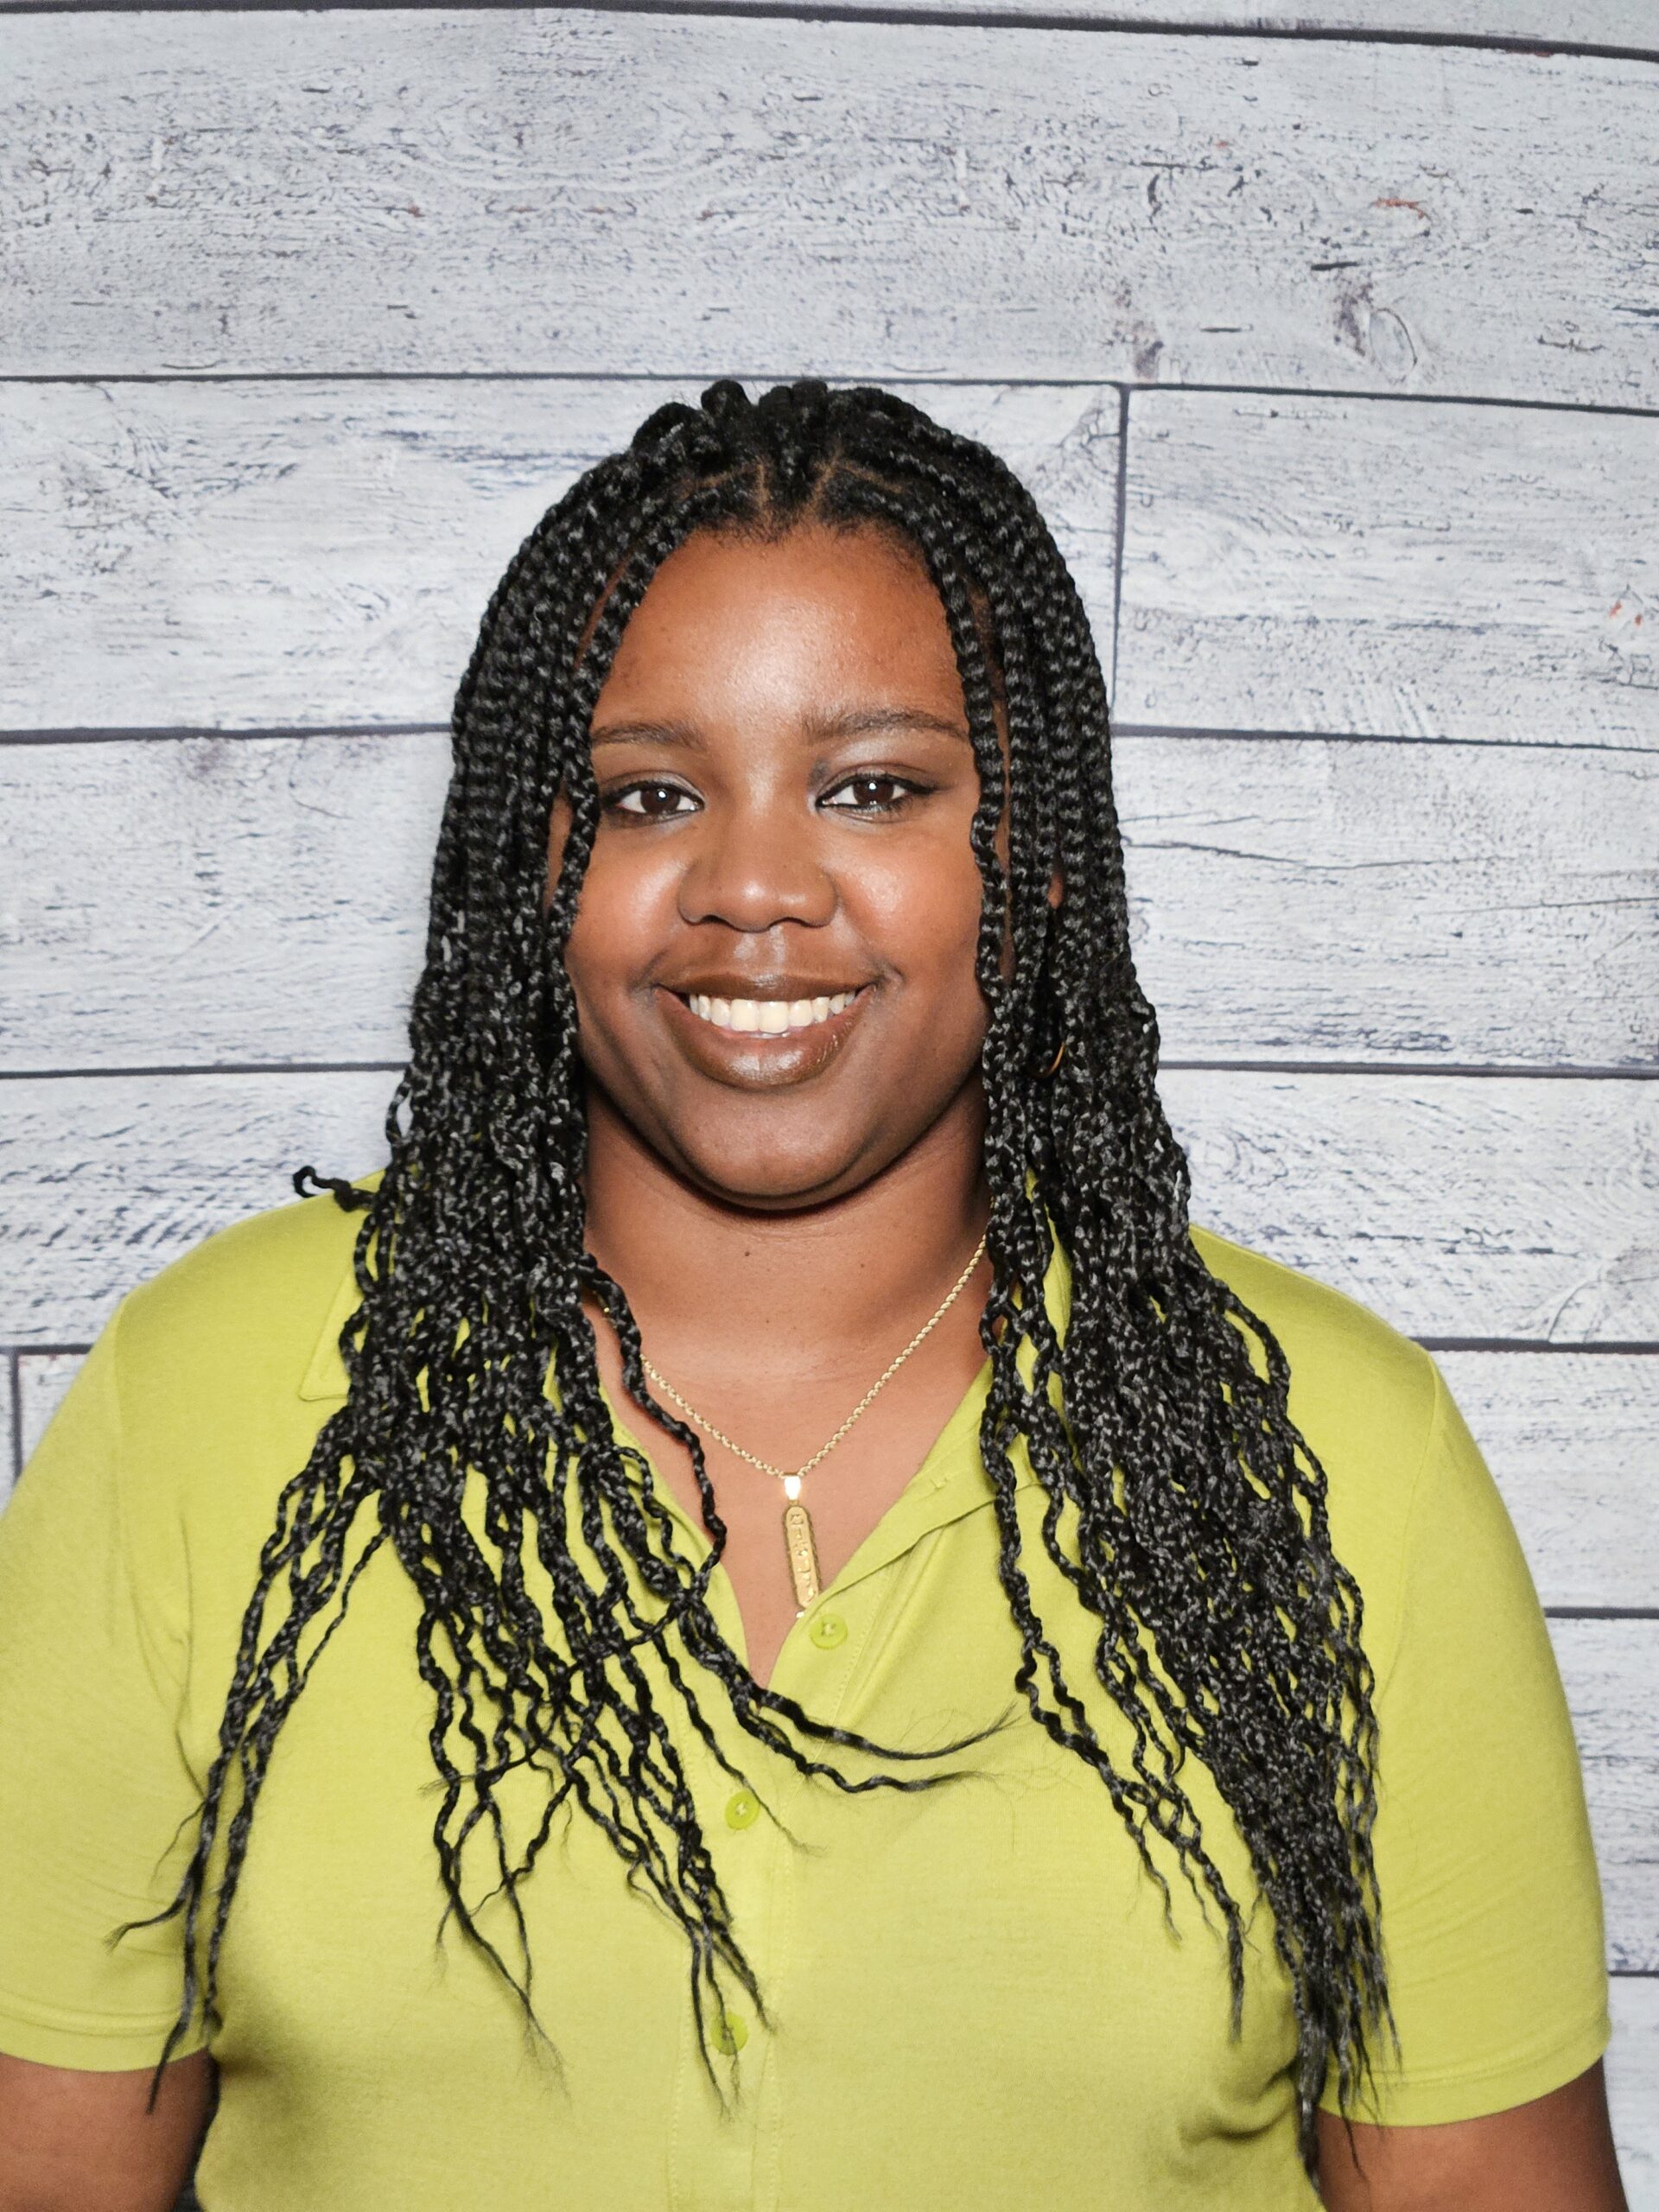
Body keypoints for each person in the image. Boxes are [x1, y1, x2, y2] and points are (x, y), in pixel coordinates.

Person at [0, 379, 1625, 2212]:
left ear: (1038, 855)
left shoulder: (1330, 1450)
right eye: (649, 792)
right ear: (538, 861)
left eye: (872, 786)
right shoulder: (211, 1394)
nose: (756, 886)